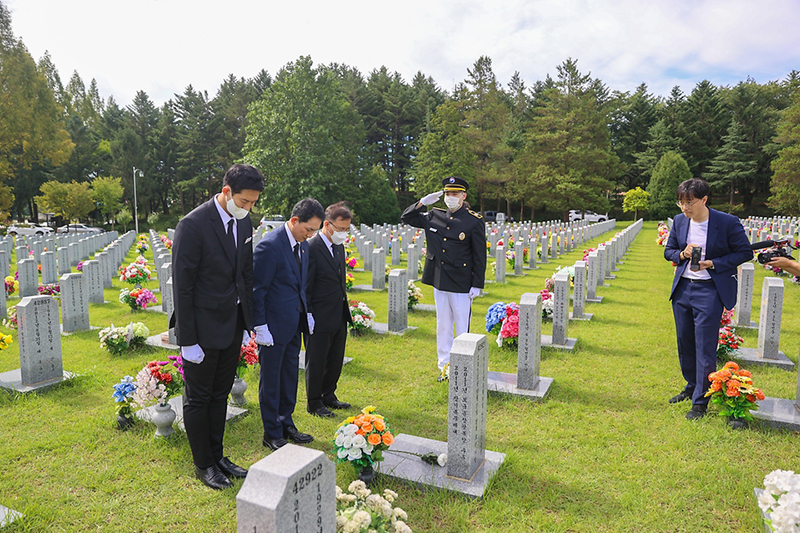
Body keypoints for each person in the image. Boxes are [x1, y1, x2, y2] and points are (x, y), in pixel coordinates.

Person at [171, 164, 263, 490]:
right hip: (201, 326)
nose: (249, 207)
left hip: (231, 324)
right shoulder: (193, 225)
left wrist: (251, 323)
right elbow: (182, 286)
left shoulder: (243, 221)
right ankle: (203, 464)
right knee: (199, 397)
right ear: (226, 192)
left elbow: (245, 275)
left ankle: (218, 455)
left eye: (253, 202)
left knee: (220, 394)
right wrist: (187, 339)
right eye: (245, 201)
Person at [664, 178, 753, 420]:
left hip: (709, 290)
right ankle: (692, 385)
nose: (685, 208)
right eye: (681, 202)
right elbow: (668, 250)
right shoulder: (681, 221)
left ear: (704, 199)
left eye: (689, 202)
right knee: (685, 342)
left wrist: (713, 263)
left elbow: (745, 252)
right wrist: (681, 253)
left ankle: (701, 401)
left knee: (705, 346)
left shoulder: (726, 222)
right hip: (683, 288)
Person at [253, 197, 325, 450]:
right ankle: (271, 432)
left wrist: (306, 313)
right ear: (294, 221)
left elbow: (300, 286)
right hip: (272, 328)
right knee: (271, 380)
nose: (311, 234)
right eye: (308, 229)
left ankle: (287, 423)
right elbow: (257, 290)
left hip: (294, 323)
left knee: (289, 376)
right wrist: (259, 326)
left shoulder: (302, 246)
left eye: (314, 230)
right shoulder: (270, 246)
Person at [401, 176, 486, 380]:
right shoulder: (433, 216)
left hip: (462, 282)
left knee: (461, 326)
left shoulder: (474, 221)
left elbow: (479, 255)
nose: (450, 197)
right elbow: (406, 218)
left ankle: (464, 368)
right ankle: (445, 368)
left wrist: (477, 283)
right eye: (447, 193)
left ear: (463, 196)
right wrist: (422, 202)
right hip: (439, 280)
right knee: (443, 325)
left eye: (454, 193)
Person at [304, 202, 354, 418]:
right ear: (327, 224)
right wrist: (308, 314)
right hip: (318, 314)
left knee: (335, 358)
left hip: (338, 312)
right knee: (316, 361)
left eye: (347, 230)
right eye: (340, 229)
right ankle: (314, 402)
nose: (343, 234)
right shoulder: (311, 247)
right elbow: (306, 284)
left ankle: (328, 394)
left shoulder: (339, 246)